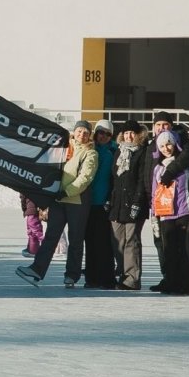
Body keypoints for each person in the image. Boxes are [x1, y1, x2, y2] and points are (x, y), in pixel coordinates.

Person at [16, 120, 98, 288]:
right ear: (74, 132)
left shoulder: (90, 153)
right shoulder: (64, 148)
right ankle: (37, 269)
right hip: (58, 200)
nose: (82, 135)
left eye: (86, 132)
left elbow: (85, 177)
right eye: (80, 131)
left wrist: (66, 191)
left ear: (89, 135)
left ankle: (71, 275)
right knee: (51, 236)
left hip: (76, 201)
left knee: (75, 239)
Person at [149, 130, 189, 295]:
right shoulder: (158, 169)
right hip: (165, 213)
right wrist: (154, 215)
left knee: (185, 249)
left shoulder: (187, 164)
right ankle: (171, 282)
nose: (166, 148)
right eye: (162, 146)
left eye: (168, 144)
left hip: (185, 211)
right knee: (168, 250)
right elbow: (155, 193)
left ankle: (186, 284)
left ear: (175, 144)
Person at [142, 111, 189, 292]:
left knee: (182, 246)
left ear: (171, 126)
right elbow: (147, 173)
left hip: (180, 204)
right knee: (163, 244)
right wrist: (151, 200)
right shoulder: (151, 146)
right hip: (160, 204)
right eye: (158, 125)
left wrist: (169, 172)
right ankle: (169, 277)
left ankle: (185, 282)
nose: (161, 128)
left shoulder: (183, 143)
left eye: (165, 125)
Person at [108, 120, 149, 291]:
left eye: (132, 133)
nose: (129, 136)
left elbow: (142, 180)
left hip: (134, 203)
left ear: (138, 134)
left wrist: (137, 203)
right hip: (117, 204)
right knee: (117, 240)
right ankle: (122, 273)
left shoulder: (142, 152)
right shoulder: (119, 152)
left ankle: (132, 278)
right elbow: (114, 179)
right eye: (126, 133)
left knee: (131, 242)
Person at [83, 119, 117, 289]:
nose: (103, 136)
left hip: (103, 203)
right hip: (87, 202)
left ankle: (106, 278)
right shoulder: (89, 150)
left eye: (107, 134)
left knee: (103, 243)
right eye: (100, 132)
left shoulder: (113, 153)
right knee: (89, 242)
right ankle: (91, 277)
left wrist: (109, 200)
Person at [19, 194, 44, 258]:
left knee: (37, 232)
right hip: (34, 211)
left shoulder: (24, 187)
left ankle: (47, 248)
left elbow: (23, 200)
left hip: (31, 211)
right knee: (31, 232)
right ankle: (33, 250)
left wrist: (24, 210)